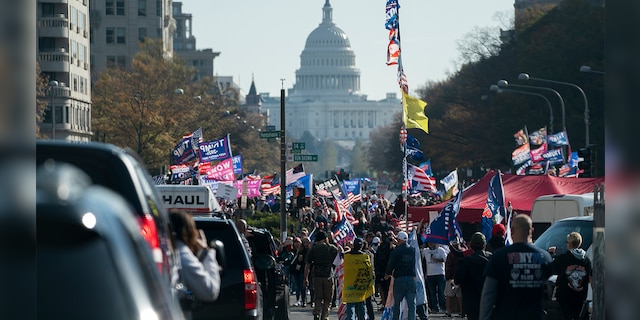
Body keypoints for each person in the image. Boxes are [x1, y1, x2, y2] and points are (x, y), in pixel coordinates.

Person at [479, 214, 553, 320]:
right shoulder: (545, 257)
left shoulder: (499, 257)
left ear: (512, 230)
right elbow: (549, 293)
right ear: (532, 231)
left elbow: (488, 294)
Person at [170, 210, 221, 317]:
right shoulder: (183, 255)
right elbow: (210, 291)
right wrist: (207, 253)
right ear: (188, 231)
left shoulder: (164, 250)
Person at [551, 232, 592, 320]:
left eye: (567, 242)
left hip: (565, 298)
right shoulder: (587, 260)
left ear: (569, 244)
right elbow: (590, 277)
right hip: (580, 298)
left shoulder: (563, 258)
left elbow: (551, 269)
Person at [455, 232, 492, 320]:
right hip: (489, 301)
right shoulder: (491, 259)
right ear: (484, 245)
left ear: (471, 245)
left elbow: (457, 279)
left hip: (471, 303)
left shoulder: (465, 262)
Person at [304, 231, 339, 320]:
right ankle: (325, 316)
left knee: (318, 297)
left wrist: (306, 278)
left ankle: (316, 313)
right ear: (325, 238)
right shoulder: (331, 248)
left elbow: (308, 264)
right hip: (328, 276)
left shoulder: (313, 249)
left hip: (317, 276)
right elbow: (339, 259)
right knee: (328, 299)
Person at [384, 231, 417, 320]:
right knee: (411, 304)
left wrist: (387, 274)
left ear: (399, 239)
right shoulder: (412, 250)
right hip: (411, 278)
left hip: (399, 279)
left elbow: (391, 264)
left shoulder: (396, 251)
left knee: (397, 304)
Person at [343, 238, 374, 320]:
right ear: (362, 246)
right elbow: (370, 272)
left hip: (349, 286)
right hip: (361, 285)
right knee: (361, 305)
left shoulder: (346, 256)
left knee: (350, 306)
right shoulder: (365, 257)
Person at [423, 241, 447, 313]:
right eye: (429, 242)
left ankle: (443, 307)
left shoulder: (441, 250)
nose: (431, 244)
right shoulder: (425, 251)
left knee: (441, 292)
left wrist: (437, 260)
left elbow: (446, 259)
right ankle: (435, 308)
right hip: (430, 275)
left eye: (432, 242)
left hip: (440, 274)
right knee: (432, 293)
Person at [444, 241, 466, 317]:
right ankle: (462, 312)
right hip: (461, 278)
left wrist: (448, 277)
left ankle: (449, 312)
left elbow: (448, 266)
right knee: (460, 296)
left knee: (449, 295)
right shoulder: (464, 252)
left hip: (452, 277)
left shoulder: (451, 254)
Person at [290, 237, 307, 306]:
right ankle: (297, 300)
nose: (297, 244)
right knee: (297, 286)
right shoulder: (292, 250)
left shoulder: (304, 251)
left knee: (303, 286)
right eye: (295, 242)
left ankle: (304, 300)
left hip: (302, 270)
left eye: (298, 242)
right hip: (295, 270)